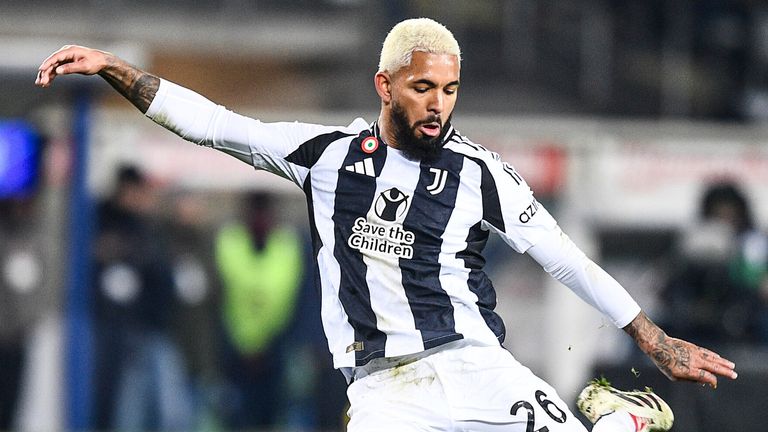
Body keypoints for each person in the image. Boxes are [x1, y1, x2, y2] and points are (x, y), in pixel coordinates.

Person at [36, 18, 738, 432]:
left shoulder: (479, 174)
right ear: (385, 85)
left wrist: (651, 337)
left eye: (451, 90)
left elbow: (563, 258)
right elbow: (216, 126)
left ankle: (623, 417)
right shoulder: (323, 159)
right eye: (423, 87)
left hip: (475, 364)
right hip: (380, 390)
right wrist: (112, 69)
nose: (439, 105)